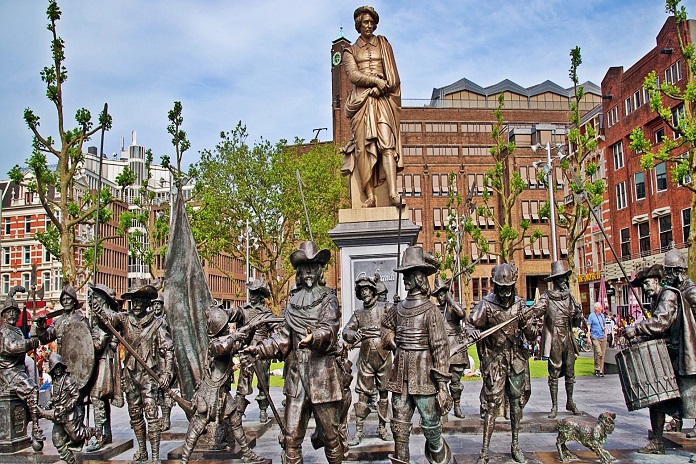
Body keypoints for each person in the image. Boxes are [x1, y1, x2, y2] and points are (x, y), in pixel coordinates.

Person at [244, 241, 344, 464]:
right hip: (296, 378)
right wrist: (259, 350)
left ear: (319, 270)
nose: (308, 272)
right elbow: (281, 338)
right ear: (298, 272)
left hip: (322, 376)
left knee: (331, 437)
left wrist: (314, 337)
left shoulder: (329, 298)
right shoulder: (293, 303)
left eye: (312, 267)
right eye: (303, 268)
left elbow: (330, 328)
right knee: (291, 438)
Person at [381, 246, 452, 464]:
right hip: (400, 377)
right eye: (404, 274)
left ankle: (441, 457)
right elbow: (385, 327)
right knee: (399, 429)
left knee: (431, 426)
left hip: (424, 377)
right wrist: (392, 340)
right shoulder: (398, 308)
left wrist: (442, 385)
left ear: (419, 277)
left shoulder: (431, 311)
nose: (405, 279)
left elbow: (440, 348)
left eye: (409, 274)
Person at [91, 284, 174, 464]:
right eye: (133, 301)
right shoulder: (124, 319)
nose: (136, 305)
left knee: (151, 414)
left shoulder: (157, 323)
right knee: (135, 415)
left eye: (139, 301)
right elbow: (109, 318)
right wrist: (99, 309)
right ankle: (142, 451)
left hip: (149, 376)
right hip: (130, 375)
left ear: (147, 303)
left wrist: (167, 372)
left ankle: (155, 456)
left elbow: (168, 349)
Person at [180, 302, 265, 464]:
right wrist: (234, 336)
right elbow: (222, 348)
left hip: (222, 394)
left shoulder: (226, 341)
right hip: (210, 394)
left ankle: (247, 453)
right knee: (197, 427)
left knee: (235, 421)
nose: (228, 328)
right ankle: (184, 459)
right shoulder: (215, 345)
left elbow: (239, 345)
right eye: (226, 326)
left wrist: (250, 329)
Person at [624, 263, 696, 454]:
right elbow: (660, 331)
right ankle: (657, 442)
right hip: (668, 357)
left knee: (692, 401)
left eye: (647, 283)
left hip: (682, 357)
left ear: (657, 281)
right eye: (643, 285)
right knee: (657, 400)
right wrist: (640, 338)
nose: (645, 288)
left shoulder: (668, 295)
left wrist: (637, 329)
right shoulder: (658, 298)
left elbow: (662, 322)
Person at [470, 263, 536, 464]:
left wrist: (525, 324)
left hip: (515, 360)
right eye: (501, 288)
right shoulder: (486, 305)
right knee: (492, 406)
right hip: (495, 362)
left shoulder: (520, 305)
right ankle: (484, 451)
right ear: (495, 286)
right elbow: (470, 324)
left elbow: (532, 335)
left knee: (516, 404)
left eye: (508, 288)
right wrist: (473, 332)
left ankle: (515, 445)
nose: (506, 293)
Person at [342, 5, 403, 207]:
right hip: (361, 103)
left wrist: (383, 87)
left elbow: (393, 75)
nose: (368, 25)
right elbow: (353, 75)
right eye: (364, 22)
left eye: (371, 22)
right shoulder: (350, 51)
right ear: (358, 25)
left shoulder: (383, 44)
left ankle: (393, 193)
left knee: (387, 144)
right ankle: (370, 196)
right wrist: (375, 82)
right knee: (362, 149)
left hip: (382, 100)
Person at [342, 274, 392, 445]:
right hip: (366, 359)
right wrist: (352, 334)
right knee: (363, 394)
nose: (364, 293)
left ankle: (382, 428)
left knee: (384, 393)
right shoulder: (358, 314)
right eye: (362, 290)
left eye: (367, 290)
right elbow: (346, 331)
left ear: (373, 291)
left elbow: (397, 322)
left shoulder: (385, 309)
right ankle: (359, 431)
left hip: (384, 357)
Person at [531, 261, 583, 419]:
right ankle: (554, 406)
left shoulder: (570, 298)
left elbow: (576, 322)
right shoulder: (547, 297)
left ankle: (570, 401)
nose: (564, 281)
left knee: (570, 370)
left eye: (565, 278)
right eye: (560, 278)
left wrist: (578, 315)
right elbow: (535, 311)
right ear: (554, 280)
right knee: (554, 371)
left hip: (567, 336)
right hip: (554, 337)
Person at [0, 287, 45, 445]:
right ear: (4, 315)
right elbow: (11, 347)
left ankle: (28, 423)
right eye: (9, 312)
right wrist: (29, 343)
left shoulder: (17, 331)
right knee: (31, 390)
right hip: (8, 372)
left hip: (18, 370)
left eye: (14, 312)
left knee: (33, 388)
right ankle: (36, 428)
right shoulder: (4, 331)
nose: (12, 315)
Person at [38, 353, 99, 464]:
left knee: (76, 435)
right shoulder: (54, 382)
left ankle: (94, 431)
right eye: (55, 367)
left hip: (69, 414)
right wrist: (50, 403)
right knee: (56, 438)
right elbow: (55, 397)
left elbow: (76, 396)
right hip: (58, 415)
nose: (57, 370)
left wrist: (66, 407)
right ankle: (69, 458)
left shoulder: (67, 380)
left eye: (59, 367)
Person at [235, 278, 279, 423]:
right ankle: (238, 412)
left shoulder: (267, 315)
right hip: (247, 351)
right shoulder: (243, 310)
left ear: (261, 296)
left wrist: (270, 344)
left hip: (261, 352)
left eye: (255, 293)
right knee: (243, 382)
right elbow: (233, 315)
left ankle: (263, 410)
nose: (252, 296)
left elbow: (276, 331)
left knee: (263, 383)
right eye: (251, 293)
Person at [85, 283, 122, 451]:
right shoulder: (96, 318)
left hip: (104, 361)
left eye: (96, 299)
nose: (93, 301)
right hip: (98, 361)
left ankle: (99, 436)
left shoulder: (106, 318)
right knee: (100, 400)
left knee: (97, 397)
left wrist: (86, 341)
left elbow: (99, 344)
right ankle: (106, 434)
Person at [432, 276, 469, 419]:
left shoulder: (453, 308)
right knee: (441, 380)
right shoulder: (435, 310)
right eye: (438, 295)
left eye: (442, 294)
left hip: (456, 346)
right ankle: (444, 407)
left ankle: (457, 405)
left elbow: (462, 314)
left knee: (456, 380)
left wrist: (450, 300)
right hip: (441, 348)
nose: (440, 298)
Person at [587, 302, 607, 377]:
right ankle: (597, 368)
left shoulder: (602, 315)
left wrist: (605, 335)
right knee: (598, 352)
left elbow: (604, 325)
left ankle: (601, 370)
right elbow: (589, 326)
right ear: (596, 308)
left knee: (603, 354)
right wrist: (589, 337)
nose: (601, 308)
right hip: (595, 336)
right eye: (600, 307)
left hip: (602, 336)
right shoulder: (591, 316)